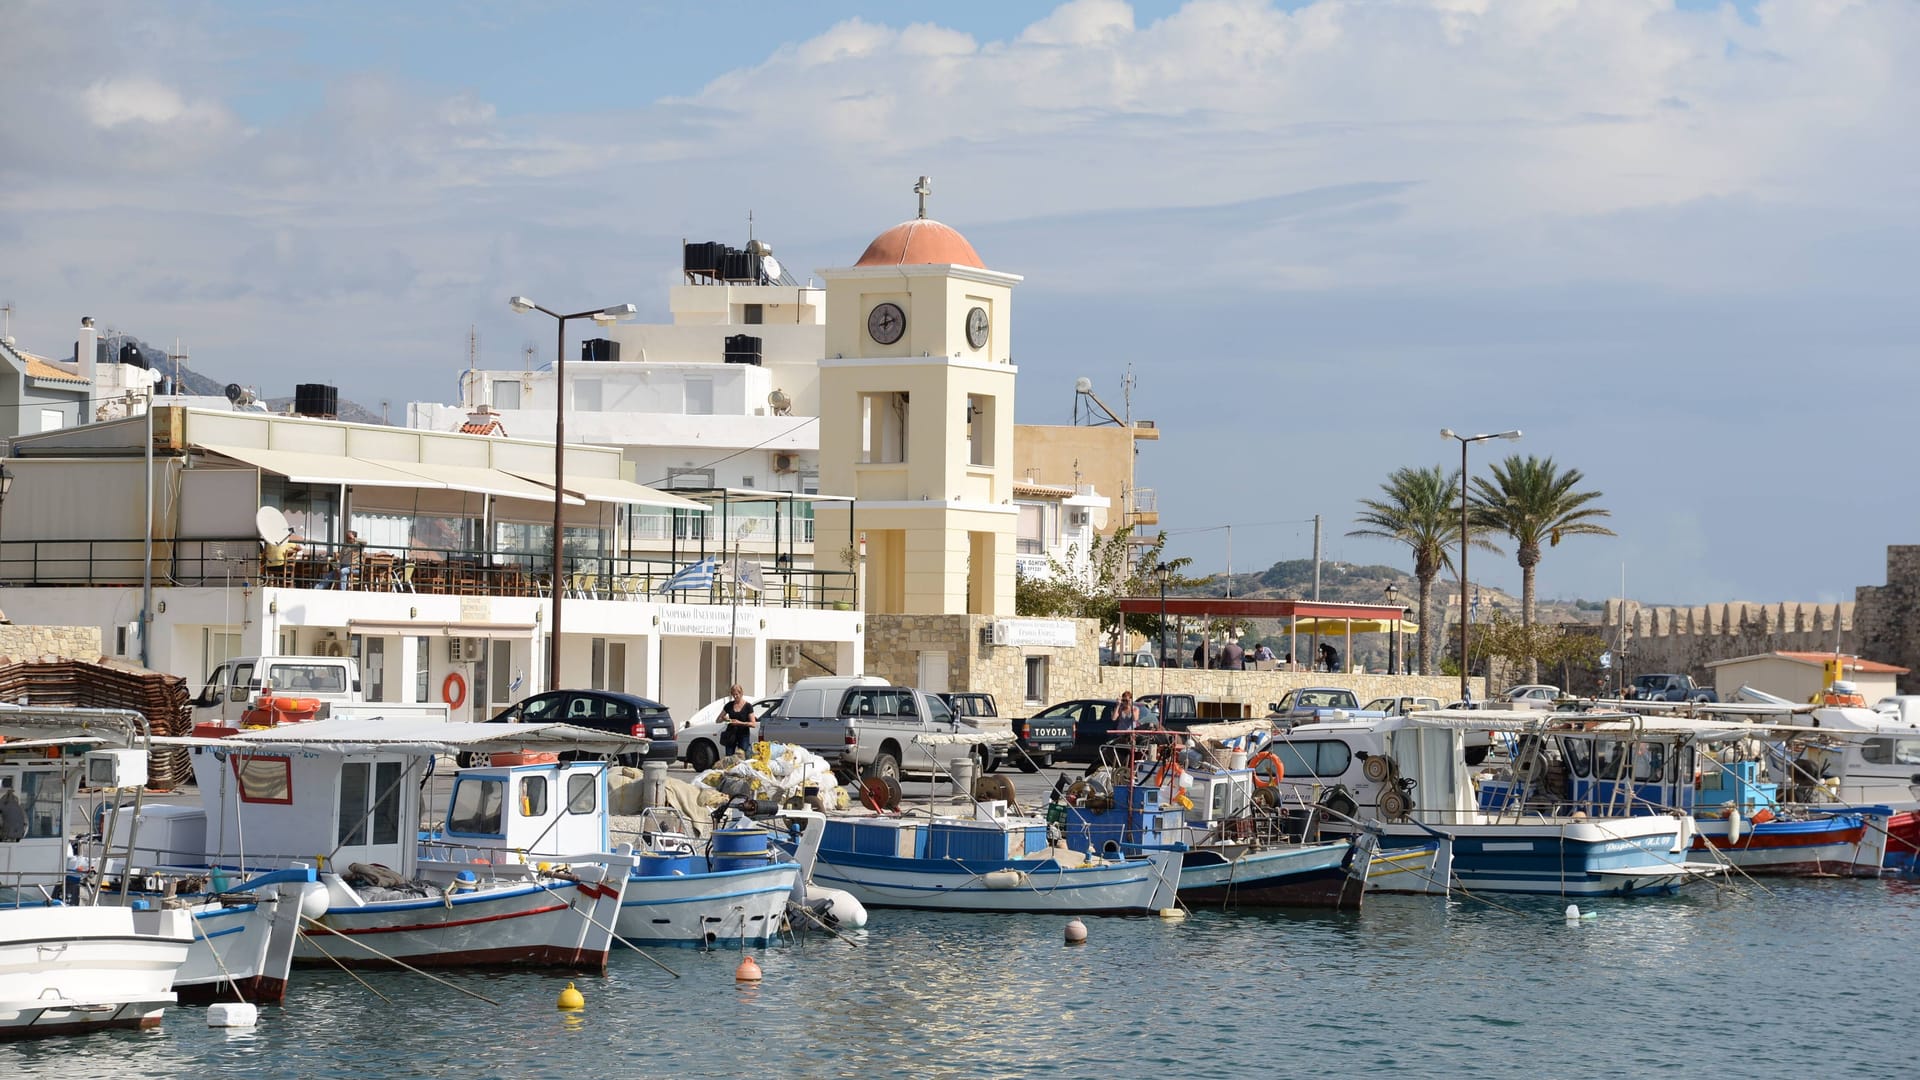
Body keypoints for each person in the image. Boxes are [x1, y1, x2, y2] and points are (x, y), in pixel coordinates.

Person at [719, 684, 756, 756]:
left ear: (741, 693)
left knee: (742, 756)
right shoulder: (729, 705)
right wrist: (727, 720)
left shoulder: (748, 706)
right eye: (733, 695)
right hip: (730, 735)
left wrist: (740, 723)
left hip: (743, 735)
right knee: (729, 756)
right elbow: (718, 720)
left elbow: (753, 724)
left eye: (736, 694)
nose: (735, 697)